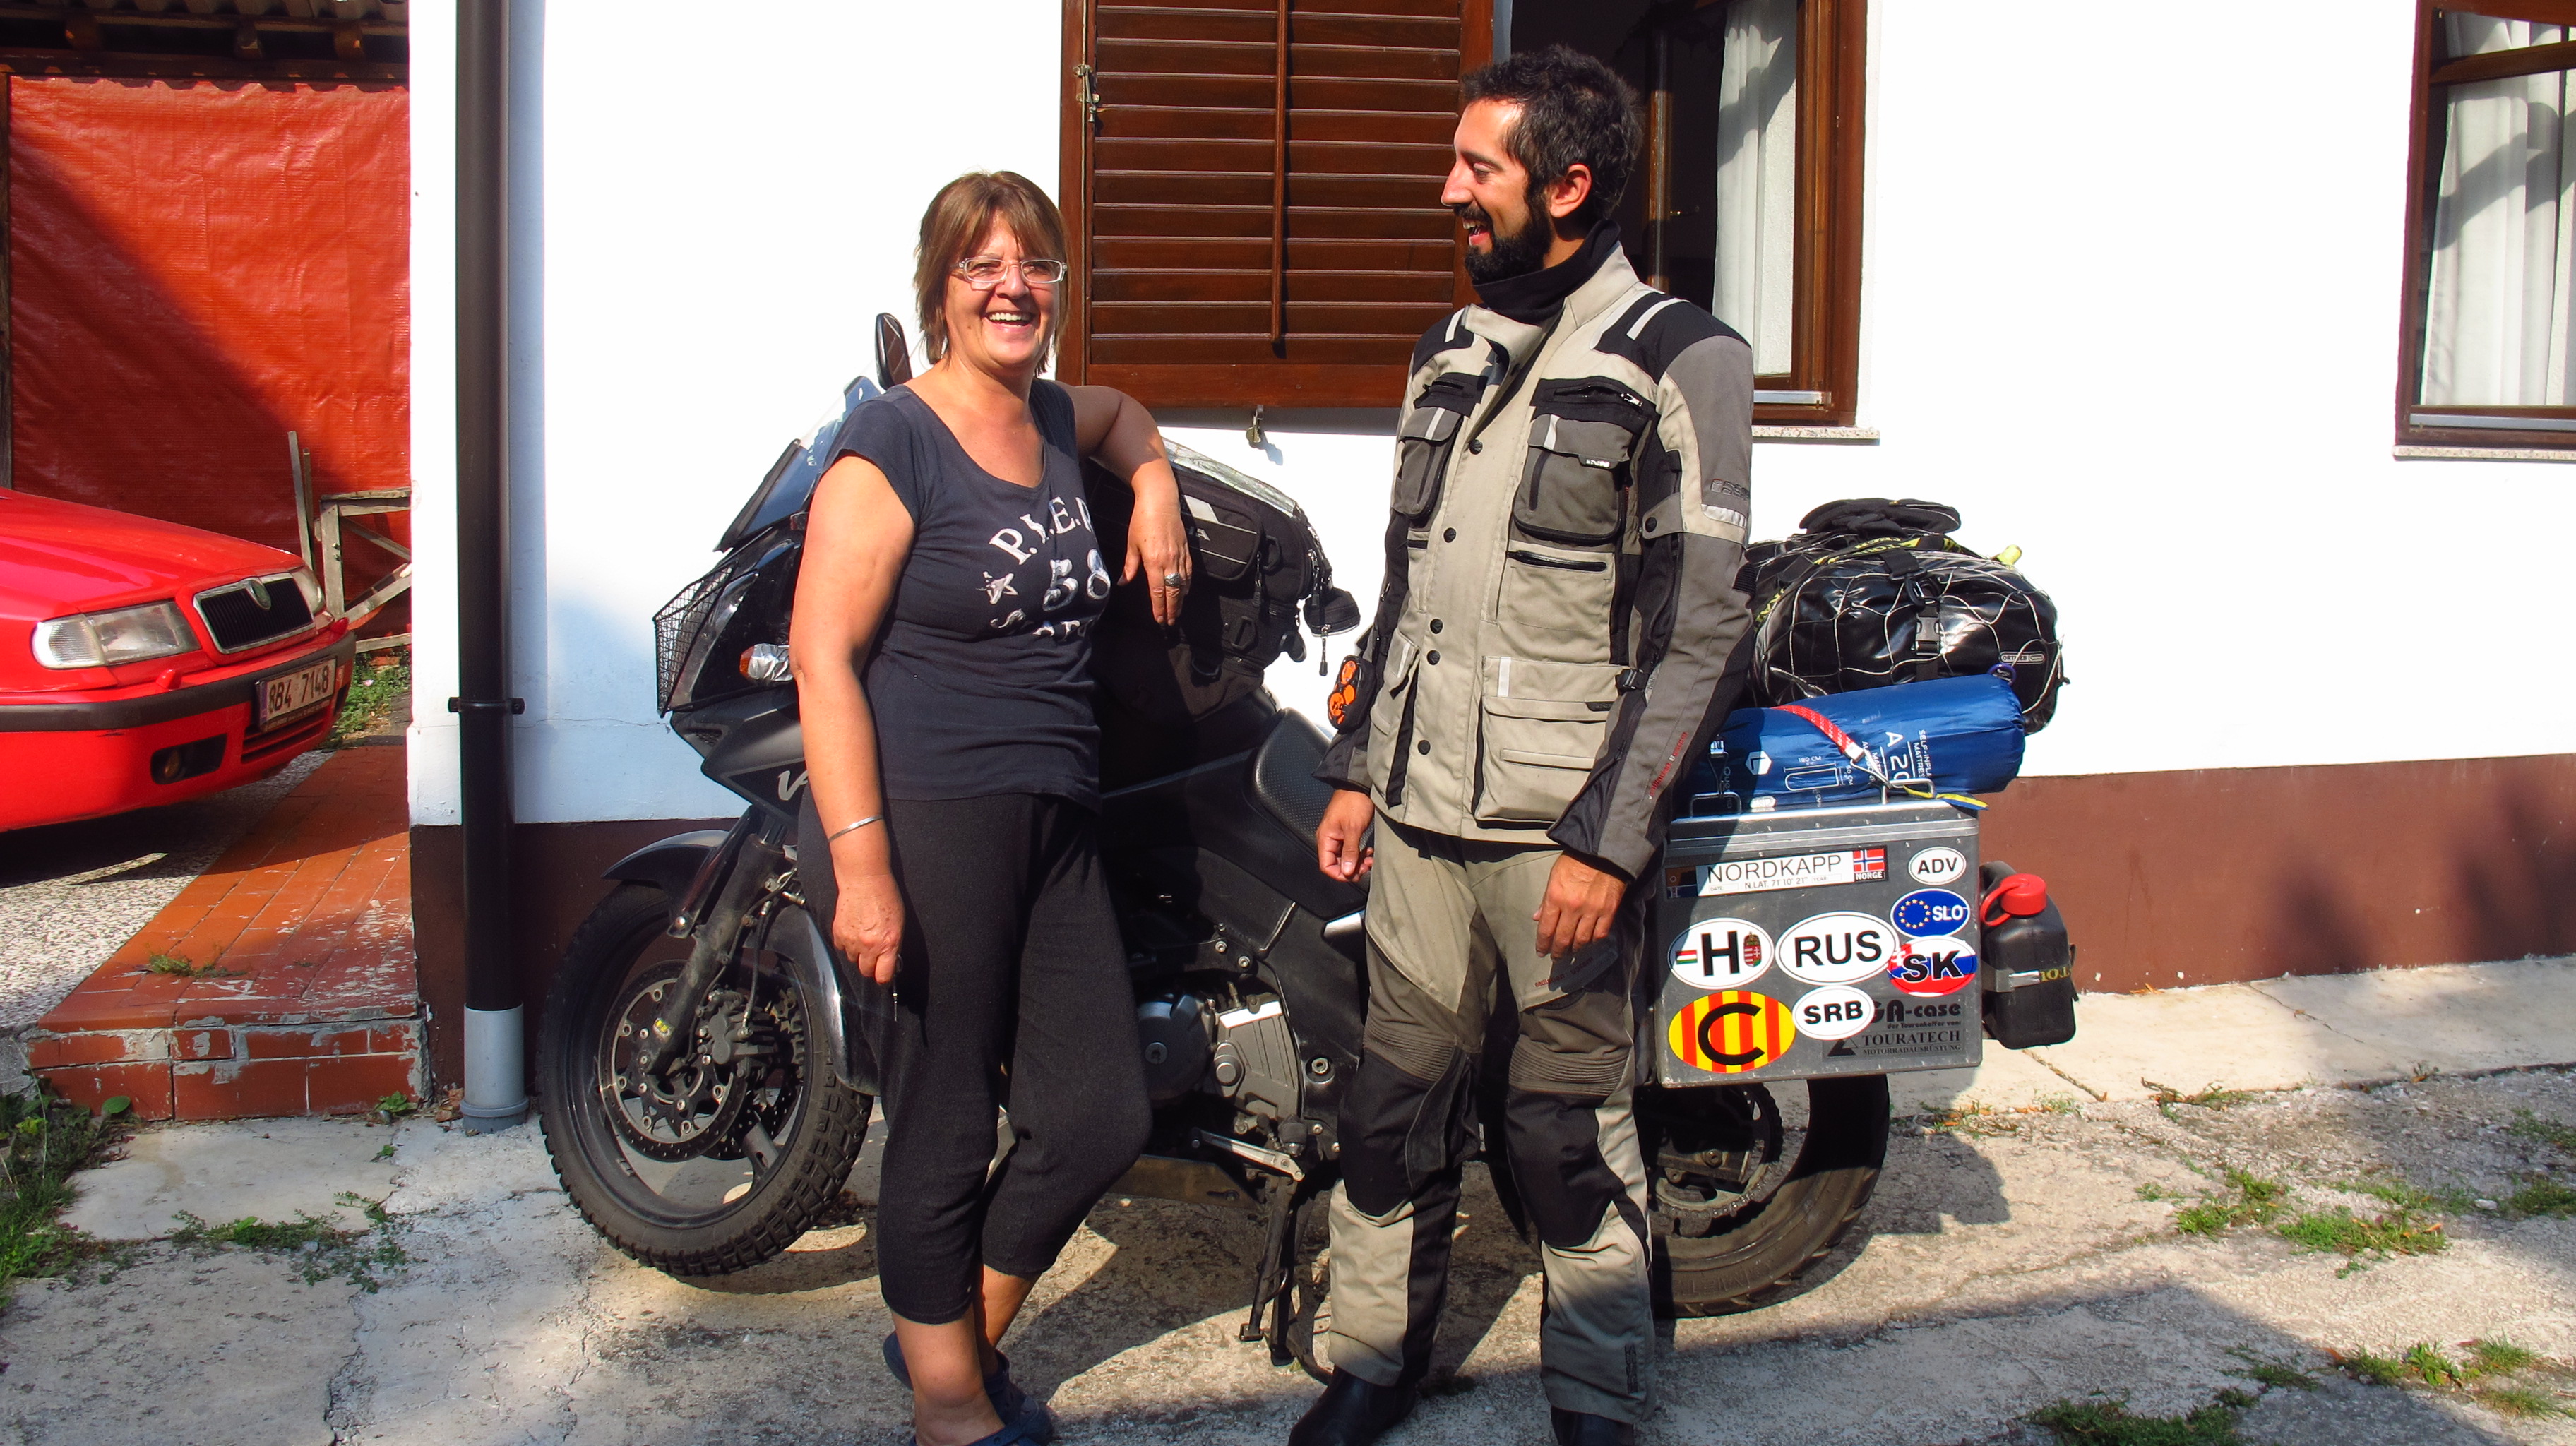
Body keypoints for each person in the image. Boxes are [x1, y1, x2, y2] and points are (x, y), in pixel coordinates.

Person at [1299, 47, 1758, 1446]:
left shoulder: (1683, 358)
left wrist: (1608, 846)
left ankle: (1598, 1393)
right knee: (1391, 1108)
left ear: (1565, 187)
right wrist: (1359, 767)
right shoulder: (1447, 349)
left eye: (1476, 167)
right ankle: (1374, 1361)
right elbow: (1408, 578)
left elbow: (1699, 626)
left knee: (1561, 1132)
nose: (1448, 190)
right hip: (1418, 816)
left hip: (1560, 835)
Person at [789, 171, 1189, 1446]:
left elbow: (1125, 415)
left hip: (1054, 814)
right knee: (949, 1117)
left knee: (1098, 1113)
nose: (1013, 287)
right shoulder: (895, 442)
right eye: (983, 265)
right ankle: (951, 1410)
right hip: (925, 817)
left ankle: (944, 1340)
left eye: (1035, 265)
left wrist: (1156, 481)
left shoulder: (1056, 413)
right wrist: (863, 870)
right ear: (941, 290)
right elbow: (822, 659)